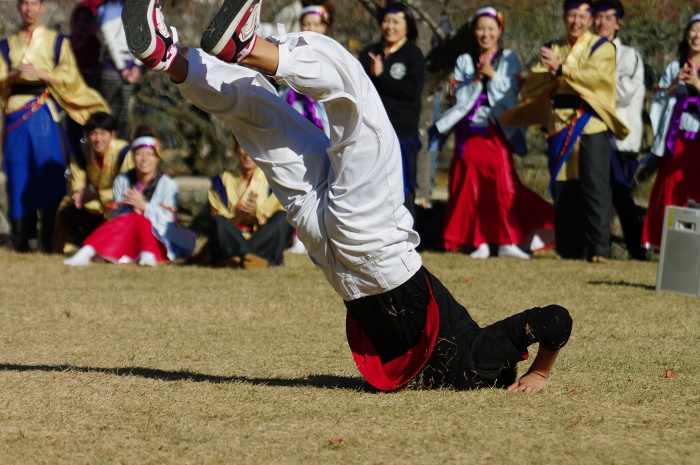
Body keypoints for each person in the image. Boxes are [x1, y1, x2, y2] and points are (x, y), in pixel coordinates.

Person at [122, 0, 572, 392]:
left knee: (356, 101)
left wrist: (540, 372)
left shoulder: (480, 356)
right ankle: (171, 58)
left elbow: (556, 320)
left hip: (378, 252)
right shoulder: (445, 375)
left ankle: (245, 46)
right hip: (340, 269)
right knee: (262, 122)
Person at [501, 0, 628, 263]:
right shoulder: (552, 46)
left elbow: (598, 77)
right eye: (571, 15)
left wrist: (562, 70)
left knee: (595, 186)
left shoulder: (602, 47)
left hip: (590, 122)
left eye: (582, 16)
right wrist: (551, 74)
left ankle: (599, 249)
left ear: (591, 19)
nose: (576, 22)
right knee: (563, 186)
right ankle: (569, 248)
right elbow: (535, 80)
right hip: (558, 123)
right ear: (563, 17)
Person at [429, 7, 555, 260]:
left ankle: (508, 239)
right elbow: (459, 96)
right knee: (470, 185)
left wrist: (493, 76)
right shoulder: (465, 60)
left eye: (491, 28)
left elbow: (512, 93)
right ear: (474, 31)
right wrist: (476, 79)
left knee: (503, 184)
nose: (485, 34)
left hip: (496, 130)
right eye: (481, 28)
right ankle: (480, 241)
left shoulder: (509, 58)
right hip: (470, 131)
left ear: (500, 30)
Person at [0, 0, 110, 253]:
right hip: (15, 111)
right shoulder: (7, 45)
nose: (29, 9)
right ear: (19, 7)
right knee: (17, 171)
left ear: (42, 7)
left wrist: (45, 75)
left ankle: (47, 237)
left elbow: (70, 76)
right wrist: (12, 76)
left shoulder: (57, 42)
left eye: (34, 4)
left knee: (48, 171)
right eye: (24, 4)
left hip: (44, 109)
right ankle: (20, 238)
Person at [64, 127, 195, 266]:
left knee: (140, 219)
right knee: (135, 218)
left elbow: (168, 222)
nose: (144, 159)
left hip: (159, 237)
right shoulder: (122, 180)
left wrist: (145, 207)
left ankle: (88, 250)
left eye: (150, 155)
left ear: (157, 159)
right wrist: (134, 210)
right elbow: (116, 217)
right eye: (139, 154)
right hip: (129, 234)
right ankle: (90, 250)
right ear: (133, 157)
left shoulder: (168, 184)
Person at [359, 2, 425, 219]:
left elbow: (411, 91)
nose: (390, 26)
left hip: (402, 134)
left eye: (396, 21)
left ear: (408, 25)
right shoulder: (369, 52)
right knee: (370, 184)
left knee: (402, 186)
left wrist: (382, 76)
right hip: (371, 132)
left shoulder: (413, 55)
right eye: (386, 21)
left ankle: (407, 236)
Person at [640, 14, 700, 251]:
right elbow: (660, 98)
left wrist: (696, 84)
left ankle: (693, 245)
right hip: (676, 138)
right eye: (693, 30)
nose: (697, 36)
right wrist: (675, 85)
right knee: (670, 186)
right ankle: (666, 243)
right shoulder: (675, 66)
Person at [593, 0, 646, 261]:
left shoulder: (629, 55)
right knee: (598, 193)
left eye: (608, 17)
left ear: (619, 22)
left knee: (620, 194)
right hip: (592, 134)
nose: (602, 21)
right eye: (598, 16)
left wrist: (591, 82)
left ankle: (636, 249)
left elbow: (624, 94)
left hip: (620, 139)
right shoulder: (586, 50)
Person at [53, 112, 134, 255]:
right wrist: (79, 194)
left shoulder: (124, 152)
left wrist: (97, 196)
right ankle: (72, 246)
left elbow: (127, 190)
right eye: (93, 134)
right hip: (93, 204)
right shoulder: (82, 151)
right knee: (66, 208)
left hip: (120, 205)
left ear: (113, 134)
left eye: (103, 134)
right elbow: (76, 181)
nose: (98, 139)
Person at [208, 138, 293, 268]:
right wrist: (240, 215)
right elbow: (220, 222)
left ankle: (240, 257)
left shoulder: (274, 180)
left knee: (284, 218)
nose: (248, 153)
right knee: (217, 221)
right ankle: (255, 259)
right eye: (243, 146)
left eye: (253, 146)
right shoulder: (221, 181)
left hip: (262, 237)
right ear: (234, 148)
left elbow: (277, 219)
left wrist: (256, 213)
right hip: (233, 238)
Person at [71, 0, 142, 139]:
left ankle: (111, 151)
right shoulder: (134, 10)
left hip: (111, 67)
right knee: (121, 116)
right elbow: (141, 39)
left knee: (107, 115)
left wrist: (123, 69)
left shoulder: (105, 10)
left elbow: (109, 42)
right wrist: (136, 65)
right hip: (129, 66)